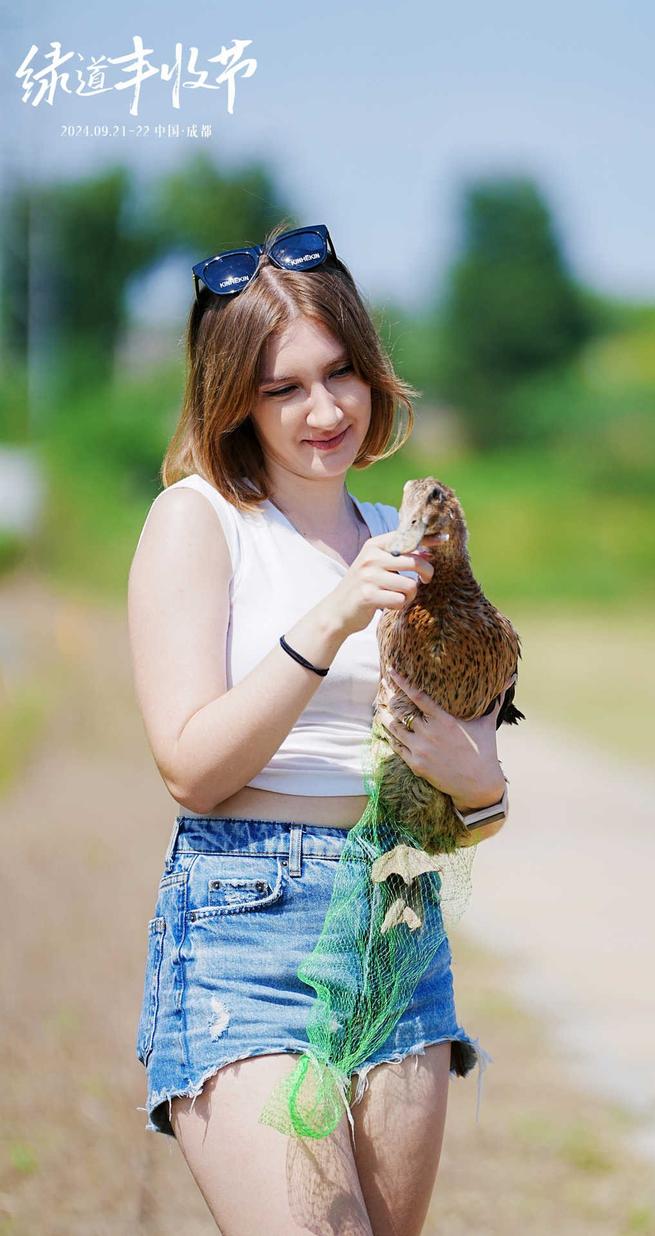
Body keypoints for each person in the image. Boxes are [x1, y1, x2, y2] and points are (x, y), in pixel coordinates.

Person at [128, 220, 510, 1236]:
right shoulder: (199, 521)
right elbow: (190, 770)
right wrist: (333, 614)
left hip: (398, 917)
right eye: (282, 387)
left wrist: (475, 778)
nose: (324, 409)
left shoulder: (402, 532)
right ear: (232, 399)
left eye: (339, 372)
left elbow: (477, 792)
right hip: (247, 918)